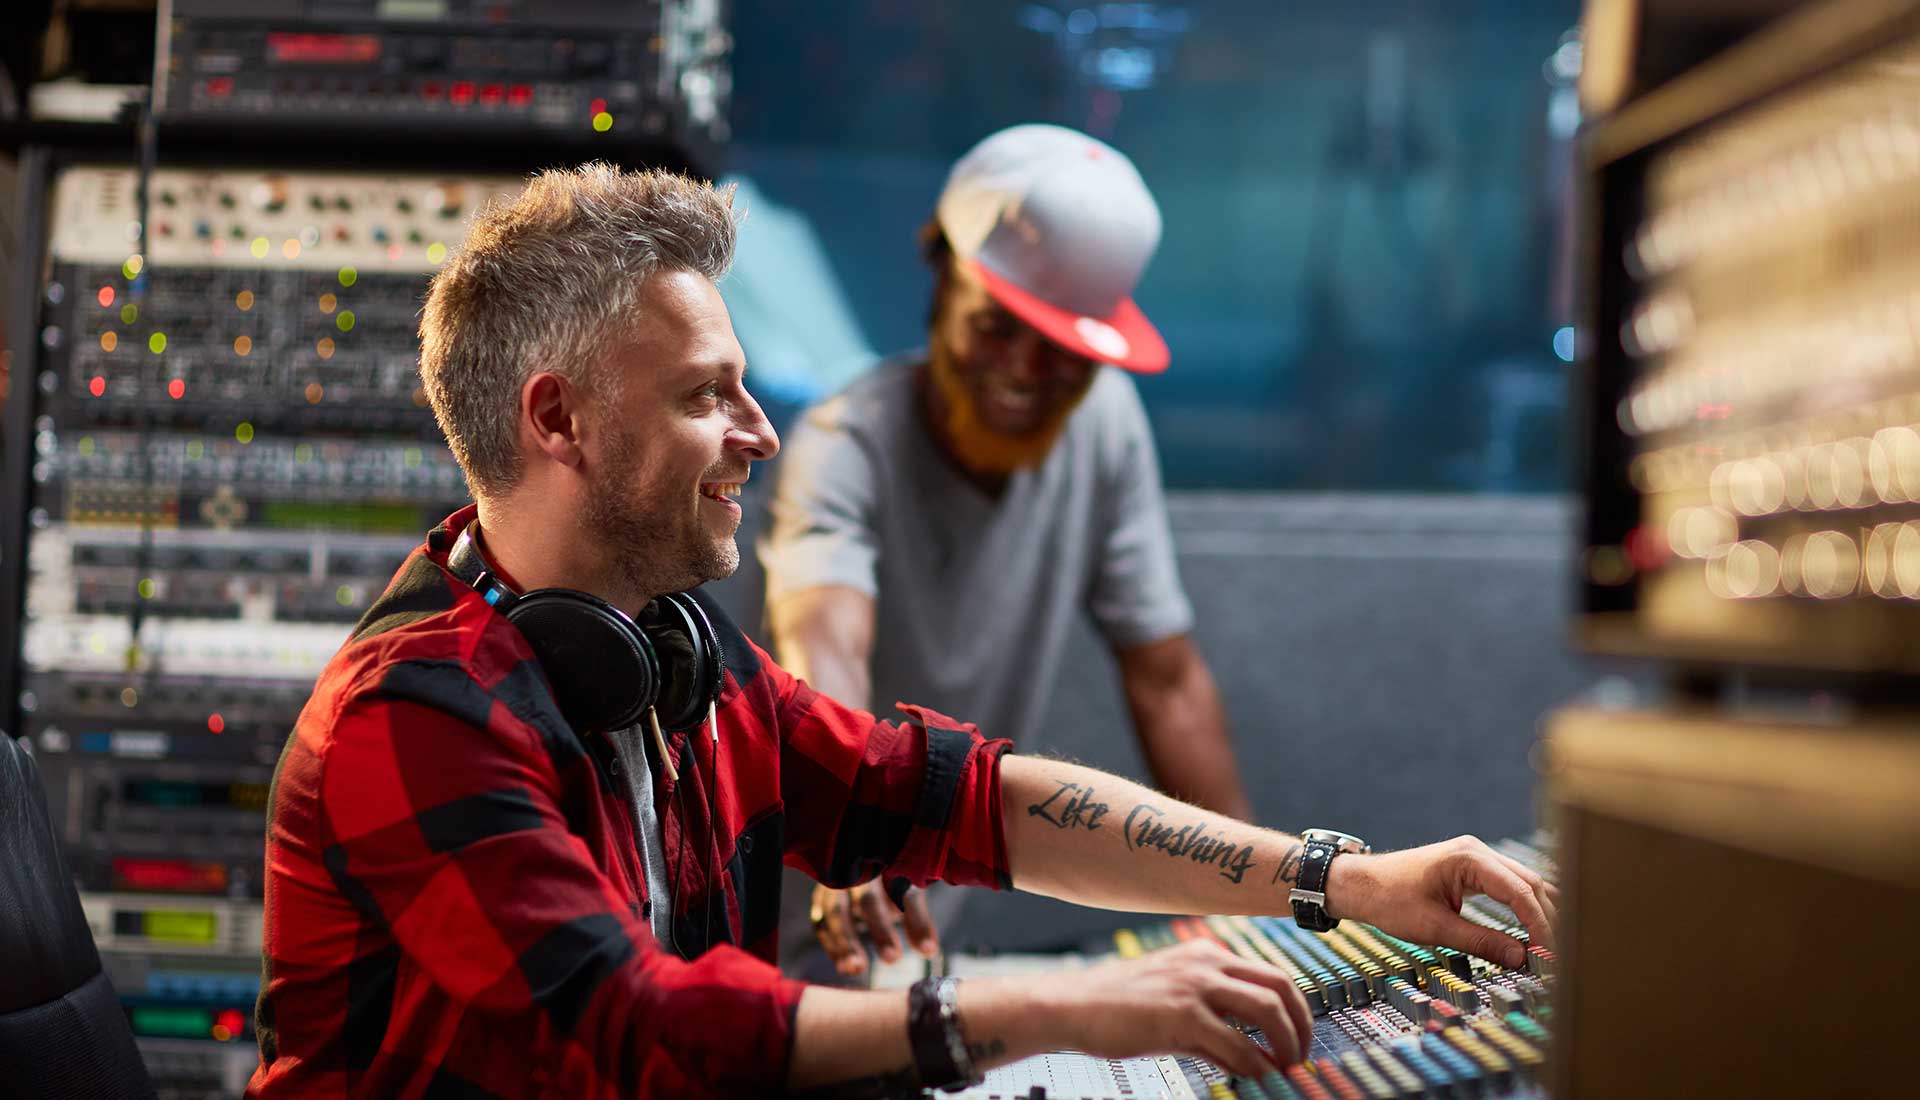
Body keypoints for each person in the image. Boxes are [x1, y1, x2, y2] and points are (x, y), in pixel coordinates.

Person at [246, 163, 1557, 1100]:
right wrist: (1063, 1010)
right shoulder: (413, 716)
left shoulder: (683, 666)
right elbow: (626, 1025)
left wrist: (1343, 883)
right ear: (558, 421)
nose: (758, 433)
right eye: (712, 396)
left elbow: (967, 801)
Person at [760, 123, 1249, 974]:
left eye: (1063, 348)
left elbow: (1166, 680)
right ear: (942, 276)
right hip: (810, 920)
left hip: (934, 938)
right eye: (995, 328)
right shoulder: (846, 441)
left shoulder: (1105, 426)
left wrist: (1253, 898)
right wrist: (848, 824)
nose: (1025, 372)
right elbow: (824, 640)